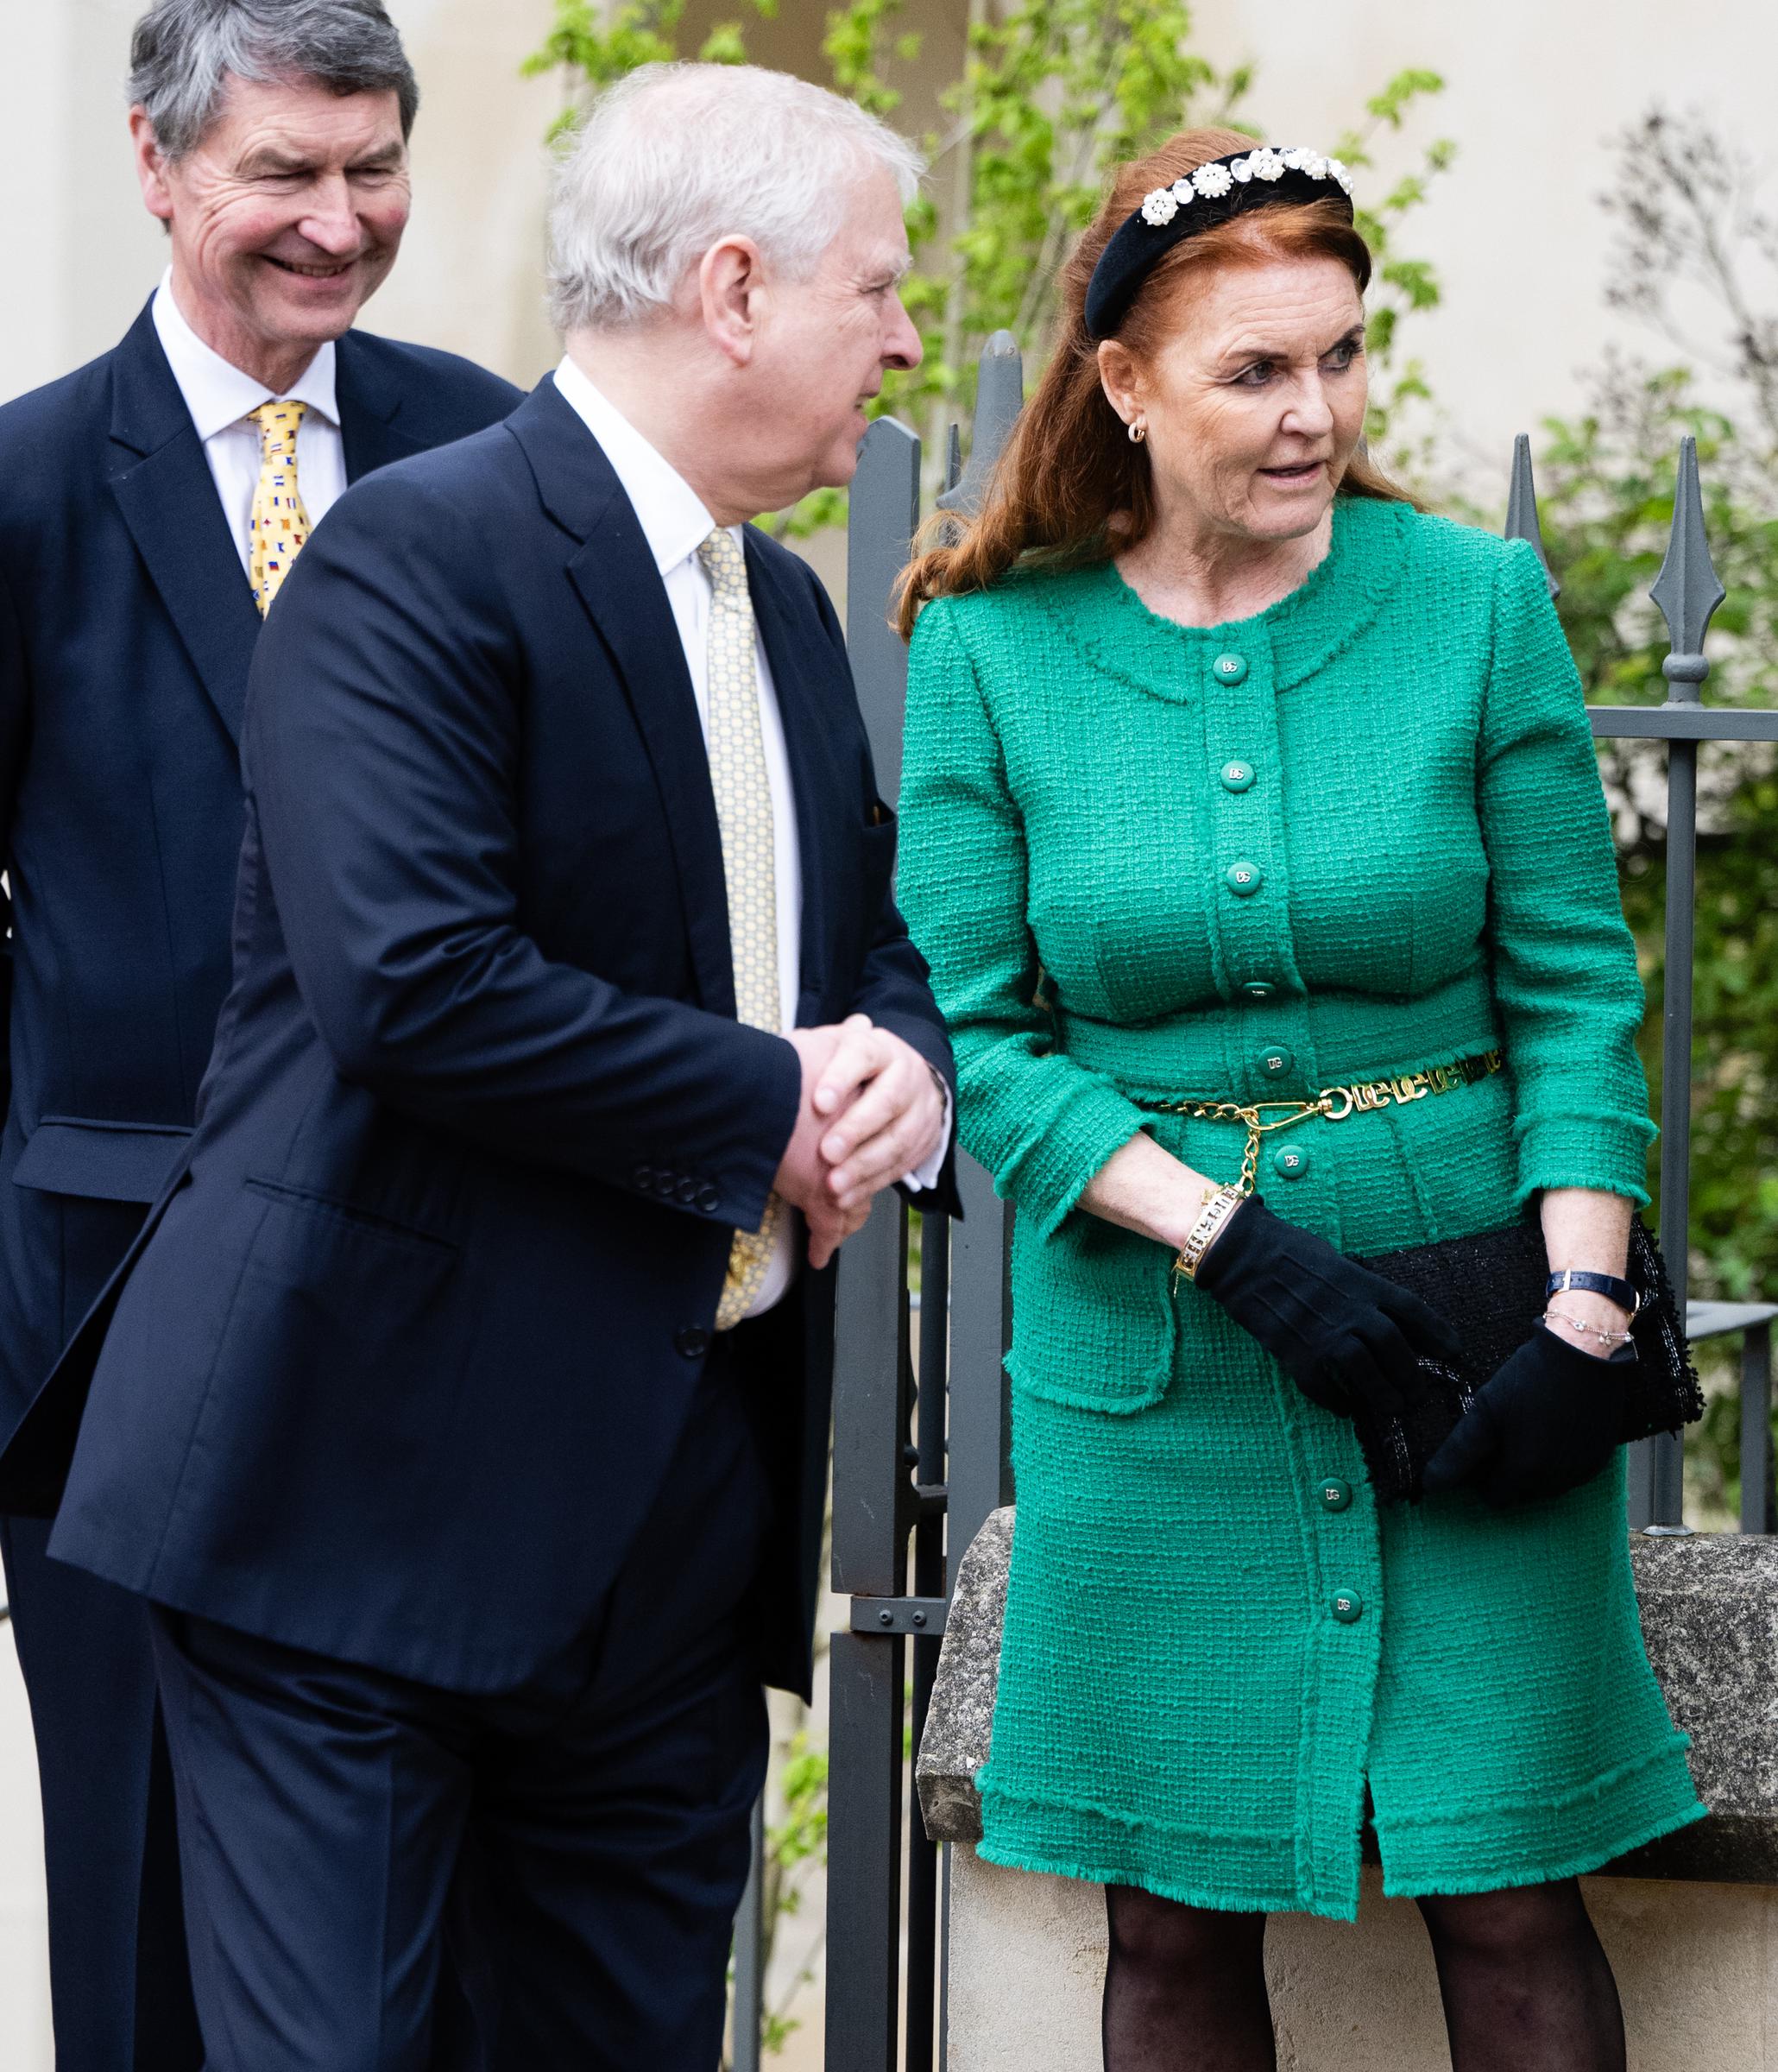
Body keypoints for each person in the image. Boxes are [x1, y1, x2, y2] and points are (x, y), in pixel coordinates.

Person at [2, 60, 955, 2070]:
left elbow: (852, 943)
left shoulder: (777, 605)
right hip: (357, 1487)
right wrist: (773, 1099)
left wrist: (902, 1075)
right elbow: (414, 981)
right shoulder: (419, 553)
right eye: (875, 285)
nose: (904, 333)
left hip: (669, 1518)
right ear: (731, 291)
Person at [895, 128, 1703, 2072]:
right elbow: (982, 1039)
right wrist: (1224, 1239)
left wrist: (1581, 1313)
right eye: (1256, 370)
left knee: (1511, 1894)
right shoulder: (990, 654)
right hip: (1153, 1367)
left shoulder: (1471, 604)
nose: (1314, 411)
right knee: (1170, 1920)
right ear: (1122, 385)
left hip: (1474, 1332)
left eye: (1340, 356)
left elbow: (1574, 996)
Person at [0, 3, 520, 2064]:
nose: (336, 221)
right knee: (139, 1928)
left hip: (446, 1318)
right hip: (112, 1328)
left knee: (445, 1927)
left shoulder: (490, 447)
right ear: (157, 165)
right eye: (281, 174)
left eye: (371, 168)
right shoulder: (29, 488)